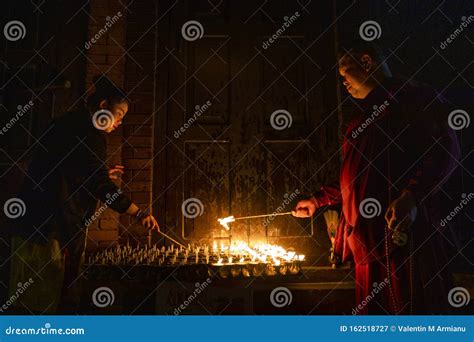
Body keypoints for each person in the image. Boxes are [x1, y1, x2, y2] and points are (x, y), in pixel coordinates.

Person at [292, 40, 460, 314]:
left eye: (345, 71)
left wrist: (411, 196)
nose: (342, 81)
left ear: (367, 62)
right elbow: (357, 176)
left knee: (409, 315)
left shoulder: (413, 100)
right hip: (366, 242)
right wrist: (318, 200)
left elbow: (445, 150)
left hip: (400, 236)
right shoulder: (361, 121)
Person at [8, 75, 159, 314]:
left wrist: (97, 174)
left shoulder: (70, 123)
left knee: (32, 300)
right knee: (44, 300)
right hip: (50, 227)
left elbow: (66, 169)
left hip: (35, 221)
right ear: (102, 106)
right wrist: (138, 212)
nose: (119, 122)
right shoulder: (89, 134)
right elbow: (99, 185)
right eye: (119, 114)